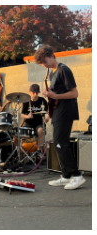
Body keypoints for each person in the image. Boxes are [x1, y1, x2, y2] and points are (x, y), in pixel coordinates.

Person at [34, 45, 85, 189]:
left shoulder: (64, 70)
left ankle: (76, 175)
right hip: (58, 112)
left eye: (45, 61)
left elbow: (74, 93)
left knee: (61, 143)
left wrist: (54, 95)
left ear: (51, 55)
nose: (44, 65)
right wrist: (50, 111)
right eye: (42, 63)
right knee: (57, 142)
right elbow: (55, 97)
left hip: (66, 111)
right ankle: (66, 175)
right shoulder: (52, 73)